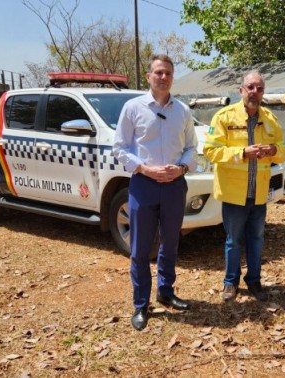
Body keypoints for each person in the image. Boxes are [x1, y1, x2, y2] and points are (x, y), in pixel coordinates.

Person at [113, 54, 198, 331]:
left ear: (173, 77)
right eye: (158, 72)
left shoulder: (182, 111)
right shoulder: (133, 108)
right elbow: (119, 148)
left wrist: (182, 168)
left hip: (174, 186)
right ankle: (140, 304)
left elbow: (191, 148)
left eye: (168, 73)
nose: (163, 77)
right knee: (140, 248)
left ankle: (166, 291)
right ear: (148, 76)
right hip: (144, 185)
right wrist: (146, 169)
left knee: (170, 242)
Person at [203, 70, 285, 302]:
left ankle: (254, 281)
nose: (254, 92)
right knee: (233, 241)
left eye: (259, 88)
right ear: (241, 90)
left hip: (259, 193)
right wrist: (242, 153)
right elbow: (210, 151)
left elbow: (284, 151)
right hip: (233, 194)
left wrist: (273, 151)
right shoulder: (224, 117)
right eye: (250, 87)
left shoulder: (270, 118)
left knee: (257, 239)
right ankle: (230, 283)